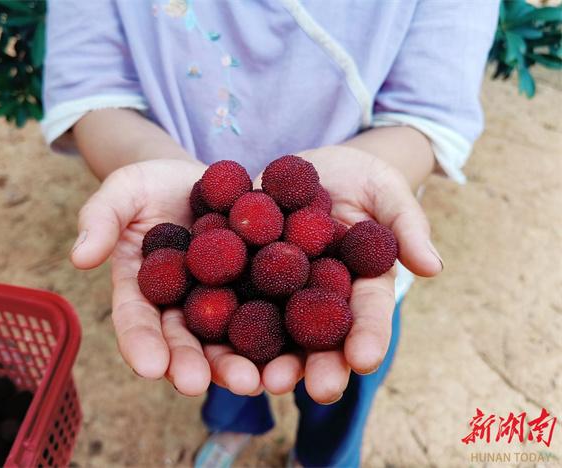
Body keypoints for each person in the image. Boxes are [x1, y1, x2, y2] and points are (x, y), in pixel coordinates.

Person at [41, 1, 499, 466]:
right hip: (192, 210)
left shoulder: (325, 244)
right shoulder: (208, 244)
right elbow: (88, 83)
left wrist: (382, 171)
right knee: (226, 366)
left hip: (351, 246)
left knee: (342, 382)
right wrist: (141, 156)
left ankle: (320, 457)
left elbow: (432, 110)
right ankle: (238, 425)